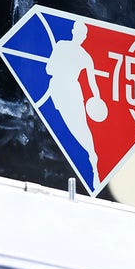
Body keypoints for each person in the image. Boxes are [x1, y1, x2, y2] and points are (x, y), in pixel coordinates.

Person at [42, 21, 103, 190]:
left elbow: (93, 83)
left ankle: (94, 163)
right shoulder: (66, 48)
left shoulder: (84, 56)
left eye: (83, 34)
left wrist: (97, 100)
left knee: (81, 129)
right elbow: (48, 69)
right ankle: (93, 160)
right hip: (61, 92)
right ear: (74, 32)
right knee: (72, 129)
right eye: (79, 33)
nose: (81, 36)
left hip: (72, 94)